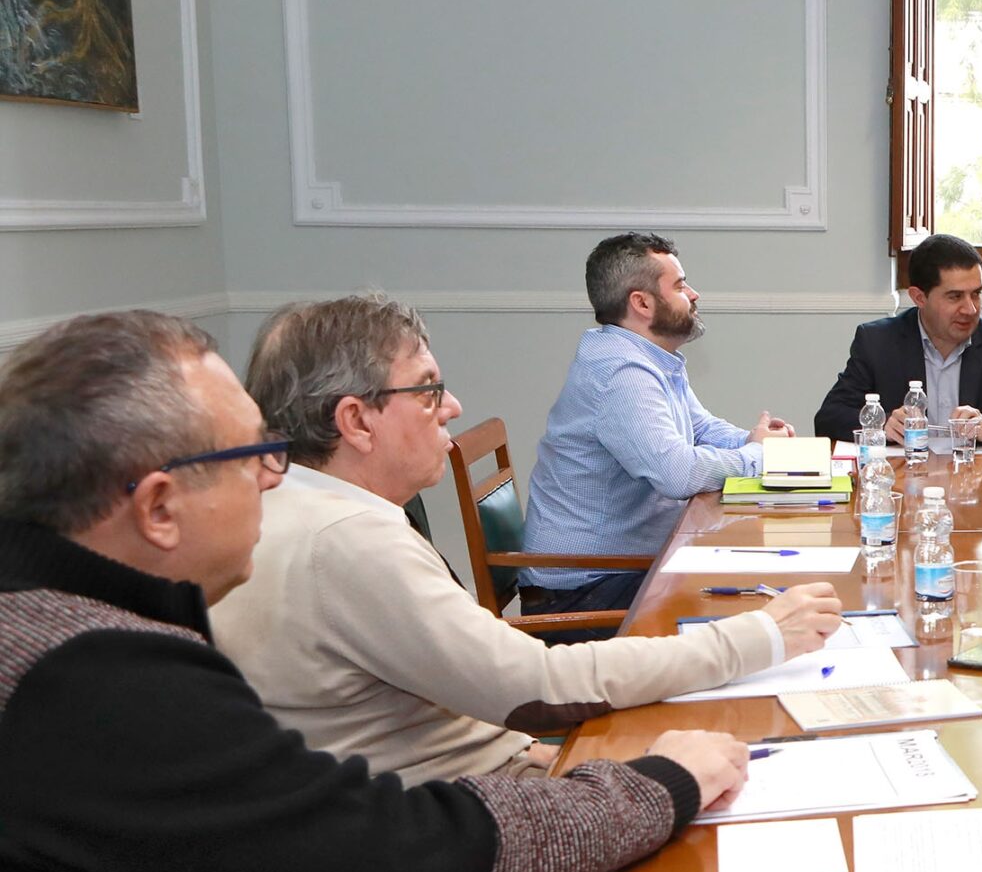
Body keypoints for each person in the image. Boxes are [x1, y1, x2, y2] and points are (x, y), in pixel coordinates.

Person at [0, 311, 750, 872]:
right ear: (160, 506)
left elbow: (285, 849)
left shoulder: (82, 628)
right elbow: (389, 840)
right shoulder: (87, 680)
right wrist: (661, 784)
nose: (276, 479)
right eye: (255, 456)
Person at [215, 293, 845, 785]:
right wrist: (759, 636)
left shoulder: (309, 506)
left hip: (504, 765)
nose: (453, 405)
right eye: (429, 389)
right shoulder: (346, 538)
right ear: (355, 421)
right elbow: (536, 687)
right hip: (481, 802)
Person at [518, 232, 795, 616]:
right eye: (680, 286)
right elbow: (677, 474)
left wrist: (754, 441)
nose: (694, 294)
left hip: (622, 572)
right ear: (642, 303)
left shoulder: (644, 357)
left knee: (761, 587)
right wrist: (757, 455)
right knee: (750, 610)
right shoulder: (621, 372)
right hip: (585, 593)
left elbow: (700, 428)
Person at [813, 232, 982, 445]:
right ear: (919, 298)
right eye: (955, 297)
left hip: (975, 478)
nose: (970, 309)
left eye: (976, 294)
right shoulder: (877, 342)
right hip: (906, 478)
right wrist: (882, 423)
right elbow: (829, 417)